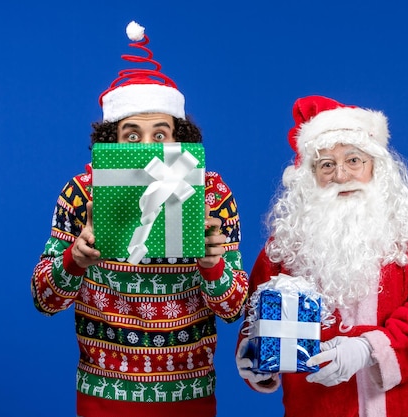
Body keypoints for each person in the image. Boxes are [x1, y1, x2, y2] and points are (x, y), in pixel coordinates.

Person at [31, 21, 249, 417]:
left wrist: (213, 265)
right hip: (102, 394)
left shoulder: (211, 193)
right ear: (111, 140)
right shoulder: (81, 192)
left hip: (189, 395)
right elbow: (44, 300)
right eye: (132, 135)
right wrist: (74, 260)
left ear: (178, 136)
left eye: (160, 134)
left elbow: (235, 309)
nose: (147, 146)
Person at [236, 95, 408, 417]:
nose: (341, 176)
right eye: (327, 165)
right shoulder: (286, 242)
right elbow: (255, 317)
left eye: (354, 160)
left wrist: (368, 349)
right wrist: (255, 356)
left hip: (402, 403)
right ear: (310, 175)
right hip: (317, 405)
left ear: (375, 165)